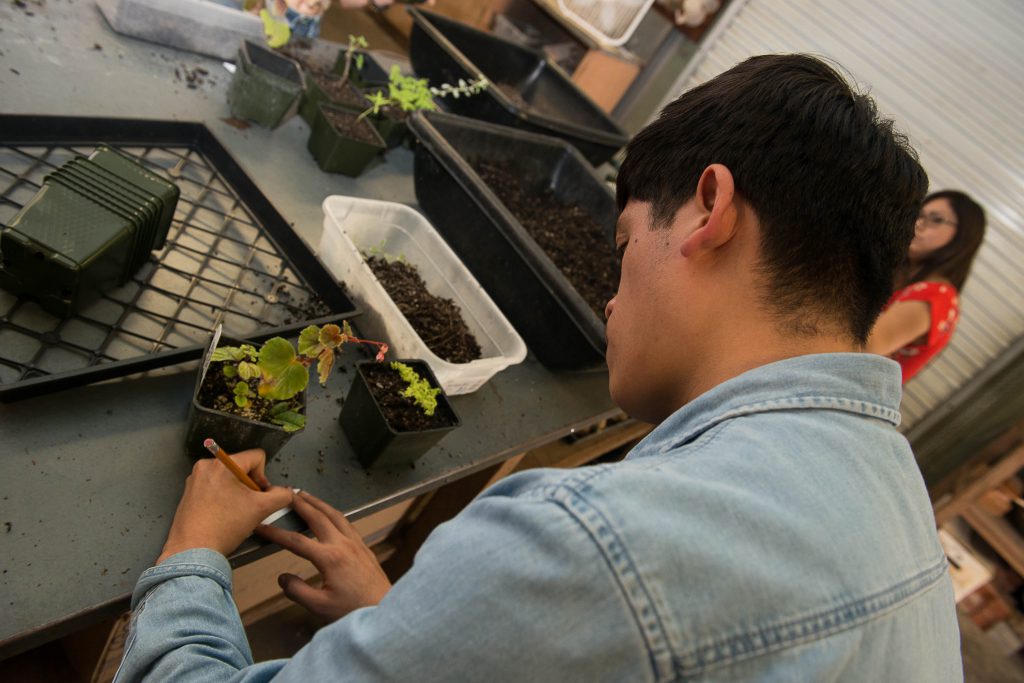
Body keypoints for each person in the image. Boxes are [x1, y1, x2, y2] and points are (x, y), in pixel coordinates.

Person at [114, 54, 961, 682]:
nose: (611, 301)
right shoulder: (902, 519)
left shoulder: (589, 542)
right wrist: (410, 623)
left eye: (623, 248)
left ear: (709, 209)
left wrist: (192, 551)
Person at [866, 190, 986, 382]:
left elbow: (867, 345)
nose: (919, 224)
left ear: (963, 237)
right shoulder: (899, 276)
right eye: (918, 215)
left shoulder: (938, 295)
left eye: (936, 219)